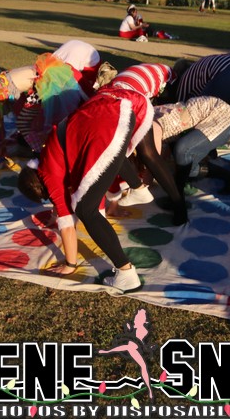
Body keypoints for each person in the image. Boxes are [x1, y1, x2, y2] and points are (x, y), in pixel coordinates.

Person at [16, 63, 177, 291]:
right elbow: (98, 174)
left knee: (85, 210)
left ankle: (125, 272)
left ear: (39, 187)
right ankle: (138, 188)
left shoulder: (48, 173)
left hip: (105, 123)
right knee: (104, 168)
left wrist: (71, 263)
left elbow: (68, 224)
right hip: (119, 108)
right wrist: (106, 207)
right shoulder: (51, 156)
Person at [168, 53, 230, 173]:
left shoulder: (184, 83)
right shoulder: (198, 70)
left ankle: (203, 156)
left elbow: (183, 116)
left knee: (202, 114)